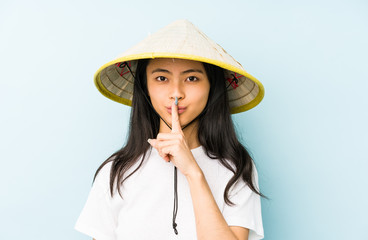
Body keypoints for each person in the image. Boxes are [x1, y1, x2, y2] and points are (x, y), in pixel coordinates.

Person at [75, 20, 265, 240]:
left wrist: (193, 172)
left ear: (212, 87)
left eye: (192, 78)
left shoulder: (236, 167)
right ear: (145, 86)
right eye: (161, 78)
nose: (176, 93)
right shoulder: (116, 171)